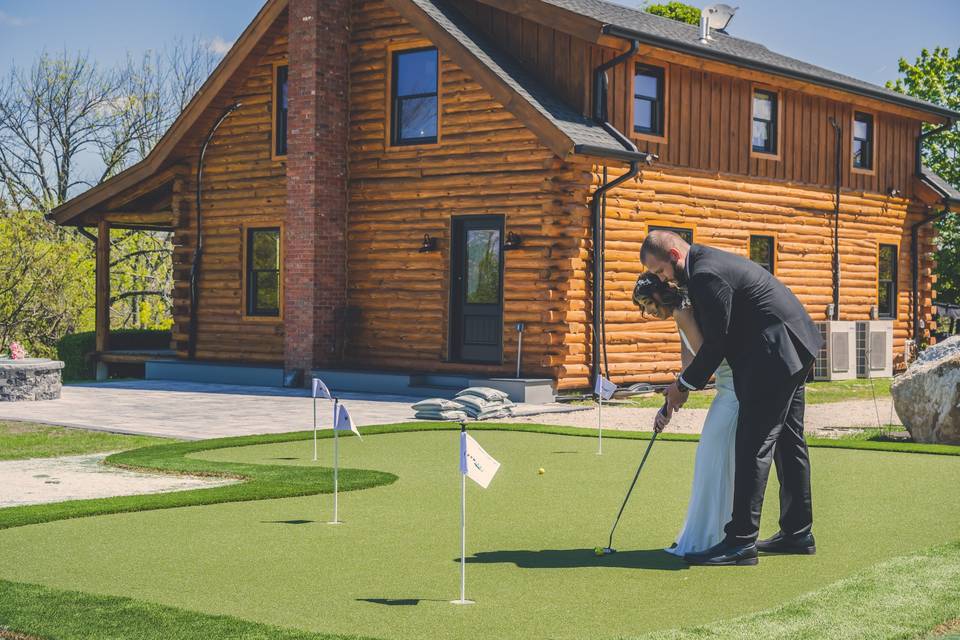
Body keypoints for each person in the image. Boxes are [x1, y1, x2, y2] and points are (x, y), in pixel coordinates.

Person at [640, 230, 823, 566]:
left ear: (674, 255)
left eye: (660, 271)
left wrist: (682, 384)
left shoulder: (706, 275)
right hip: (794, 344)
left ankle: (740, 542)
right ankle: (798, 532)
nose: (661, 279)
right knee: (788, 442)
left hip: (775, 353)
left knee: (754, 444)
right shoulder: (706, 265)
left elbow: (716, 345)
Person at [631, 273, 737, 557]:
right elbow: (689, 370)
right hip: (726, 392)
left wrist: (681, 386)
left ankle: (711, 539)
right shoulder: (680, 315)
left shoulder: (683, 311)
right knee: (713, 463)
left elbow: (705, 362)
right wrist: (667, 407)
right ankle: (712, 536)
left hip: (735, 392)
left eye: (647, 306)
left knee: (713, 462)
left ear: (657, 297)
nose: (648, 313)